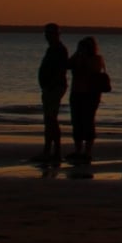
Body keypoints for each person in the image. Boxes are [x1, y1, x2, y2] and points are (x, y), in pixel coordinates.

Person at [67, 36, 108, 164]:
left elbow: (91, 70)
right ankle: (78, 150)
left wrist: (83, 58)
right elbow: (67, 65)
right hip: (77, 92)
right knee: (76, 121)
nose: (82, 49)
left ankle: (87, 151)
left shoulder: (96, 59)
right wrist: (76, 53)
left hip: (91, 94)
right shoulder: (77, 57)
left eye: (84, 47)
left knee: (88, 121)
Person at [33, 23, 69, 164]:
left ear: (56, 34)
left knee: (51, 119)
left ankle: (54, 151)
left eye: (50, 33)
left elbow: (61, 70)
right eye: (46, 33)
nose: (47, 36)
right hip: (49, 87)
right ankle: (49, 150)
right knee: (49, 119)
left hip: (54, 88)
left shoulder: (59, 49)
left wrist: (51, 85)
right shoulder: (52, 49)